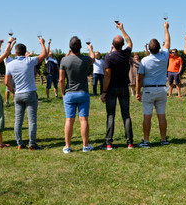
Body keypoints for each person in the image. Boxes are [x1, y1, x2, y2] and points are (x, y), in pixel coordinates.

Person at [5, 37, 47, 150]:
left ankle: (20, 143)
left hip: (18, 94)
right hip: (30, 93)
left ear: (16, 52)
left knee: (18, 120)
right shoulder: (30, 61)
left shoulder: (10, 65)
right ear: (25, 51)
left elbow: (6, 82)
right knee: (32, 120)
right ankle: (32, 144)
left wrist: (13, 91)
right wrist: (42, 43)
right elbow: (44, 55)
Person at [136, 21, 171, 148]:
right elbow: (167, 42)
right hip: (162, 89)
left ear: (149, 49)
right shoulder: (164, 56)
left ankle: (146, 141)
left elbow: (139, 78)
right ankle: (163, 140)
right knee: (162, 116)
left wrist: (137, 92)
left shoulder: (144, 60)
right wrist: (166, 28)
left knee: (147, 116)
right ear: (158, 48)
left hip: (148, 91)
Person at [100, 22, 134, 150]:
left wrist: (104, 91)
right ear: (122, 45)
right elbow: (130, 42)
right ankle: (130, 142)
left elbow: (107, 76)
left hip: (112, 89)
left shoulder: (109, 57)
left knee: (111, 115)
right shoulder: (126, 54)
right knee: (126, 115)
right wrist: (122, 29)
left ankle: (108, 143)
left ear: (112, 45)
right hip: (124, 88)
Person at [59, 36, 95, 153]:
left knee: (69, 120)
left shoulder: (64, 60)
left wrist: (62, 92)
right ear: (80, 47)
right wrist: (90, 49)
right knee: (83, 120)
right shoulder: (85, 59)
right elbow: (93, 58)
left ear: (70, 47)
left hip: (69, 93)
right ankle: (85, 146)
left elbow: (61, 79)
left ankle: (67, 147)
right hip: (83, 93)